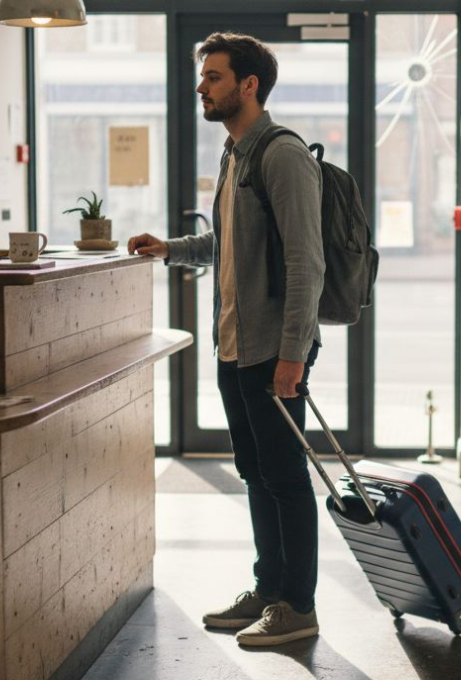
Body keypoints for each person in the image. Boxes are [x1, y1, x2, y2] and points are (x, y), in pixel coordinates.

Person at [127, 32, 325, 647]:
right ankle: (270, 589)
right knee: (256, 472)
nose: (201, 87)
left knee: (286, 475)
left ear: (248, 86)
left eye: (213, 77)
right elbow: (226, 244)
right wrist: (171, 250)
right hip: (235, 344)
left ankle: (299, 605)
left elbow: (306, 262)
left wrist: (293, 354)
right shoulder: (233, 154)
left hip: (273, 349)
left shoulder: (282, 154)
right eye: (202, 77)